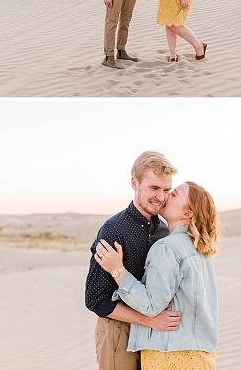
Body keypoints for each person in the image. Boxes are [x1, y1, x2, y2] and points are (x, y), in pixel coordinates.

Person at [95, 181, 220, 370]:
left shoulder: (166, 247)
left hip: (170, 355)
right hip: (201, 357)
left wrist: (117, 270)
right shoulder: (201, 249)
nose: (164, 196)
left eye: (174, 194)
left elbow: (152, 305)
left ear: (187, 213)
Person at [84, 151, 183, 370]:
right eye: (154, 188)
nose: (161, 197)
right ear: (134, 183)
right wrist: (149, 320)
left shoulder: (164, 231)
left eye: (166, 190)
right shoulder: (113, 230)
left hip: (152, 333)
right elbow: (95, 299)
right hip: (118, 330)